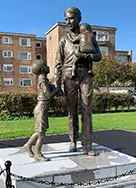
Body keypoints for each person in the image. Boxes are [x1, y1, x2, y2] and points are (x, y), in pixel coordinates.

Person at [55, 7, 102, 156]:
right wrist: (57, 83)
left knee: (87, 111)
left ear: (79, 18)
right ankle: (73, 141)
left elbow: (98, 55)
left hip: (85, 76)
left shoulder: (89, 36)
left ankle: (87, 145)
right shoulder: (64, 40)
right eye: (66, 19)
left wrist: (88, 57)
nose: (68, 22)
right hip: (69, 76)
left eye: (71, 18)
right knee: (71, 112)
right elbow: (58, 63)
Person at [23, 59, 57, 162]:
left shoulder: (44, 79)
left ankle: (28, 145)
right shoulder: (42, 80)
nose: (48, 67)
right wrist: (56, 89)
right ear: (42, 69)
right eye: (46, 66)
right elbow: (48, 95)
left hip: (43, 108)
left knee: (39, 131)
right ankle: (37, 153)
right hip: (41, 108)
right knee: (41, 134)